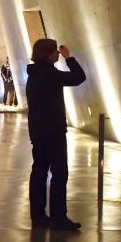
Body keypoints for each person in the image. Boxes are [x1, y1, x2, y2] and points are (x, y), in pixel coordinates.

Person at [26, 39, 86, 230]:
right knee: (59, 173)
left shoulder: (34, 74)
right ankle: (59, 217)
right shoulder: (49, 74)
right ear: (48, 54)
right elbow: (78, 78)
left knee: (39, 172)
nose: (58, 54)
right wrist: (70, 58)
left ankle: (38, 216)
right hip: (53, 130)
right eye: (55, 52)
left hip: (38, 130)